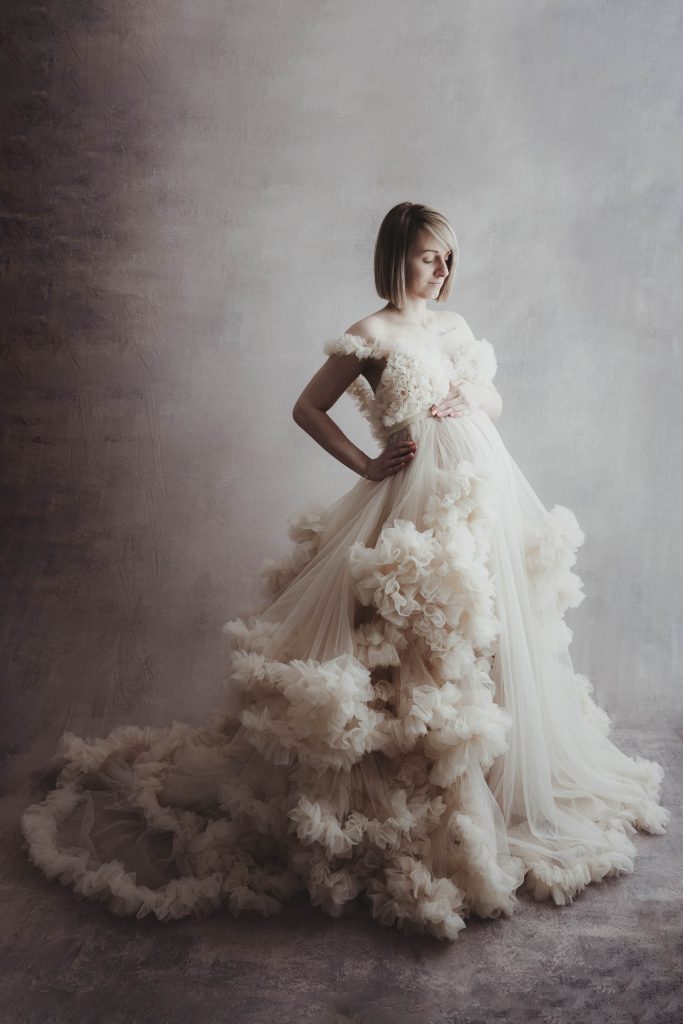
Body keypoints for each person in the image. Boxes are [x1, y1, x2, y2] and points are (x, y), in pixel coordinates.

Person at [20, 202, 670, 942]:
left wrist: (472, 396)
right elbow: (307, 406)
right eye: (429, 258)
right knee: (410, 646)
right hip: (413, 499)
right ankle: (426, 802)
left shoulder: (453, 328)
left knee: (481, 638)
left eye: (449, 259)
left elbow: (489, 396)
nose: (443, 271)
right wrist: (366, 461)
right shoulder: (369, 334)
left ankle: (495, 784)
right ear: (397, 257)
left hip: (478, 494)